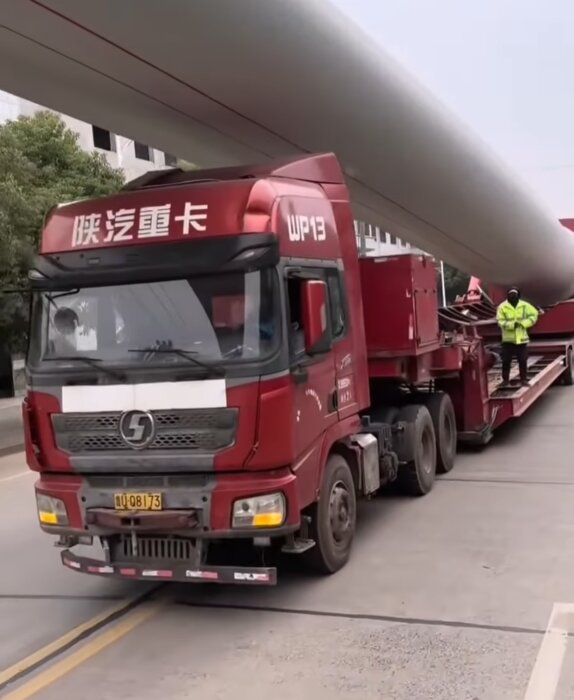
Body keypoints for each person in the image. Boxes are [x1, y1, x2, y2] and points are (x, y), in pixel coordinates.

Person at [496, 287, 539, 387]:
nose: (513, 296)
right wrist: (511, 325)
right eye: (511, 294)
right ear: (507, 295)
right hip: (508, 340)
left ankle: (523, 380)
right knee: (506, 361)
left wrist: (524, 324)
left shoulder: (524, 305)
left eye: (514, 294)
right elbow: (500, 321)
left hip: (521, 339)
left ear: (518, 295)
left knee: (523, 360)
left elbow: (534, 314)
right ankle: (505, 381)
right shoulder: (502, 307)